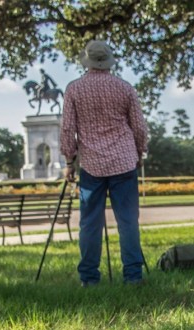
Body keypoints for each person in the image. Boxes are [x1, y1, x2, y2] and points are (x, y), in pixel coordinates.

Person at [61, 40, 148, 286]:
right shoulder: (124, 88)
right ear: (109, 61)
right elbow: (139, 127)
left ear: (86, 61)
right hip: (123, 161)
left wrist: (69, 160)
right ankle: (133, 276)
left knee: (89, 223)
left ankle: (89, 278)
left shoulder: (74, 89)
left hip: (92, 164)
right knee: (128, 221)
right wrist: (139, 152)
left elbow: (68, 129)